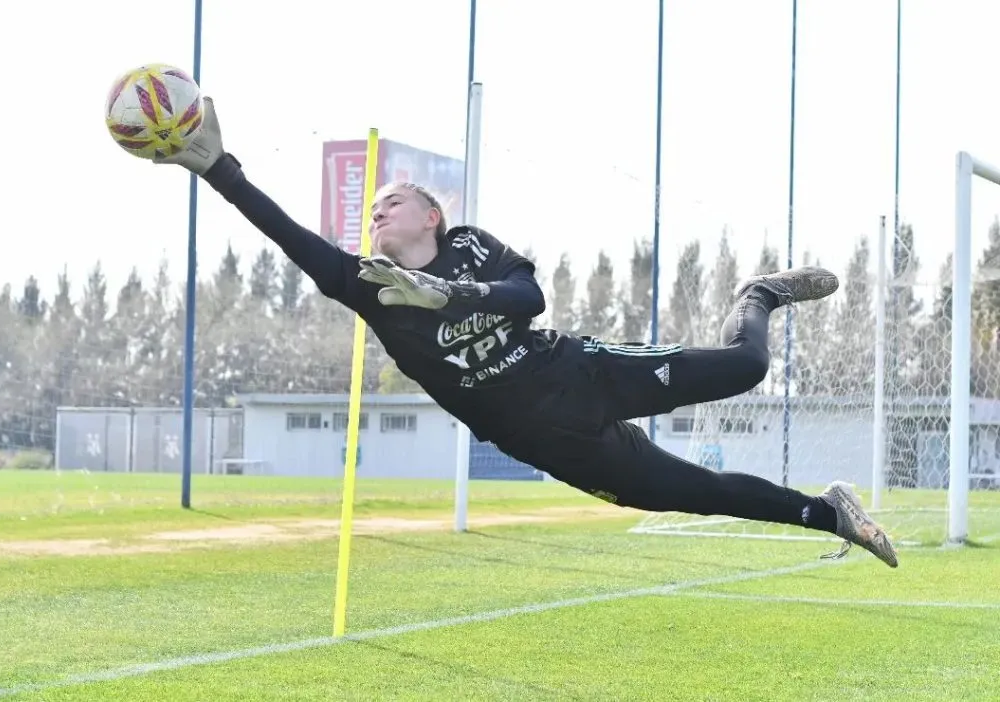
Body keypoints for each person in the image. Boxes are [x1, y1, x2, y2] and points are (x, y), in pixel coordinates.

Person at [154, 97, 898, 569]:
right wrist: (218, 167)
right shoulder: (368, 289)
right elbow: (288, 234)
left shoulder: (472, 246)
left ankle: (757, 292)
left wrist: (449, 292)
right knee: (684, 492)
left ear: (431, 217)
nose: (376, 214)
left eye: (392, 203)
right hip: (543, 438)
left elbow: (528, 297)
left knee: (744, 367)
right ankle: (828, 512)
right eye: (371, 210)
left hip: (580, 373)